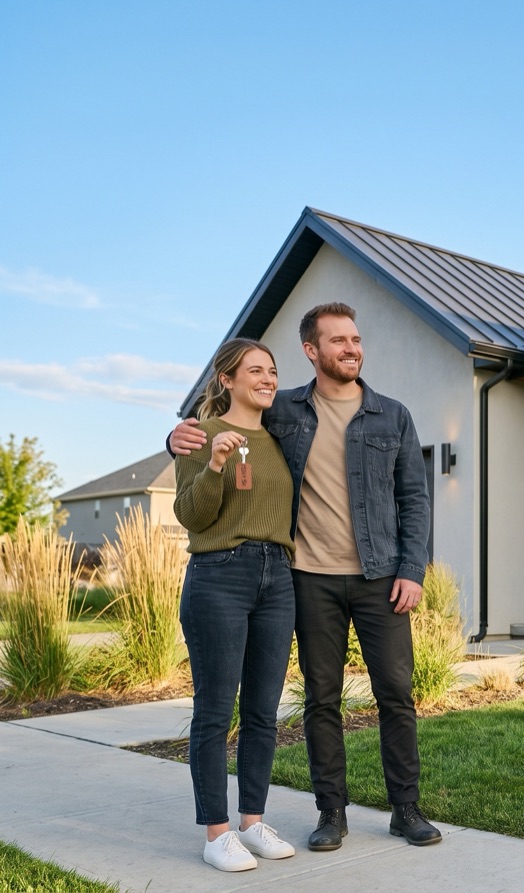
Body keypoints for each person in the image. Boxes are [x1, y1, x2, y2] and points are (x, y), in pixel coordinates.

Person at [170, 303, 439, 851]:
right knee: (321, 698)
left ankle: (406, 809)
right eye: (338, 341)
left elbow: (414, 497)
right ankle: (330, 813)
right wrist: (173, 438)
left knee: (396, 693)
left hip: (380, 576)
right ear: (312, 351)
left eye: (355, 339)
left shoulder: (392, 415)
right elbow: (225, 423)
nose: (351, 348)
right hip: (307, 577)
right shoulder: (285, 410)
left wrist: (412, 570)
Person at [172, 338, 298, 872]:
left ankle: (251, 822)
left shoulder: (280, 436)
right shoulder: (200, 436)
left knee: (264, 710)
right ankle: (216, 833)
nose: (268, 379)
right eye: (255, 371)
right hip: (219, 574)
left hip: (278, 577)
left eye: (272, 371)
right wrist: (216, 464)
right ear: (227, 378)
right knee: (215, 710)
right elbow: (191, 516)